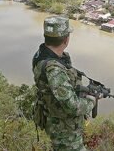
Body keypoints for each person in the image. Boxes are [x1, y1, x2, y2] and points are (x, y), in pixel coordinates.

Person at [32, 16, 96, 151]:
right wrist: (92, 100)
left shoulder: (41, 54)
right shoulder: (54, 69)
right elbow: (73, 106)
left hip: (57, 124)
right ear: (66, 39)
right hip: (64, 133)